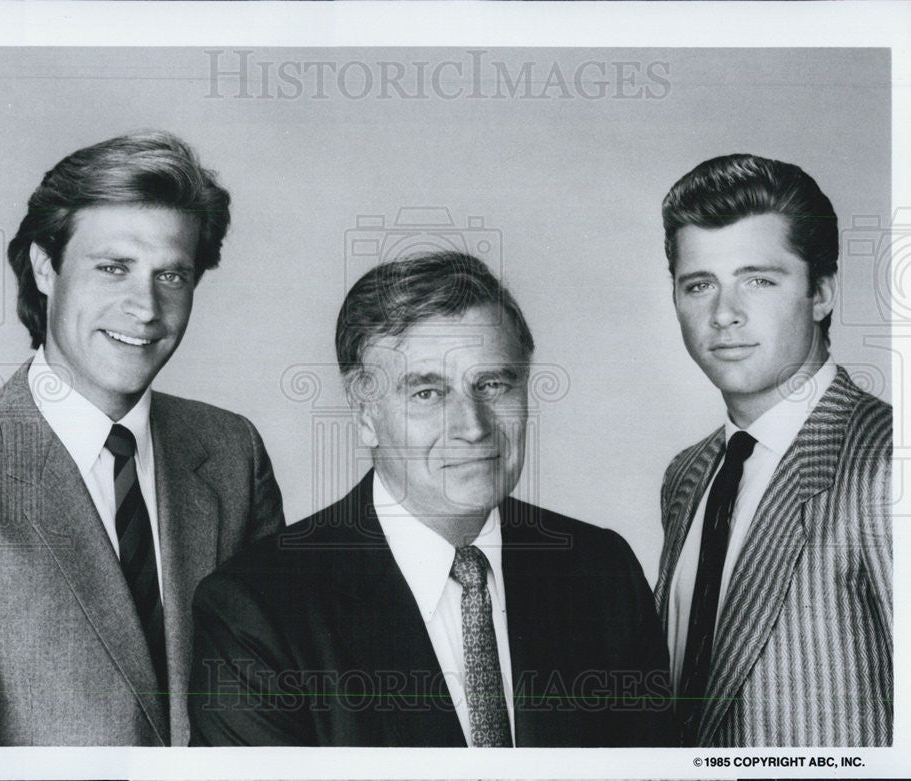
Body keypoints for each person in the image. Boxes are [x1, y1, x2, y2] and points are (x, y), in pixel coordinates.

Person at [189, 251, 673, 747]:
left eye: (493, 384)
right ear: (365, 414)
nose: (472, 427)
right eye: (427, 394)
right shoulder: (257, 608)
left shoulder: (602, 571)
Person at [0, 131, 285, 746]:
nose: (145, 307)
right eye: (113, 268)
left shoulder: (230, 451)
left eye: (172, 275)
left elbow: (279, 708)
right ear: (43, 266)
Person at [655, 154, 892, 746]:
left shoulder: (892, 465)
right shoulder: (688, 475)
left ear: (821, 293)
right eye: (699, 284)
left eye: (758, 279)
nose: (725, 314)